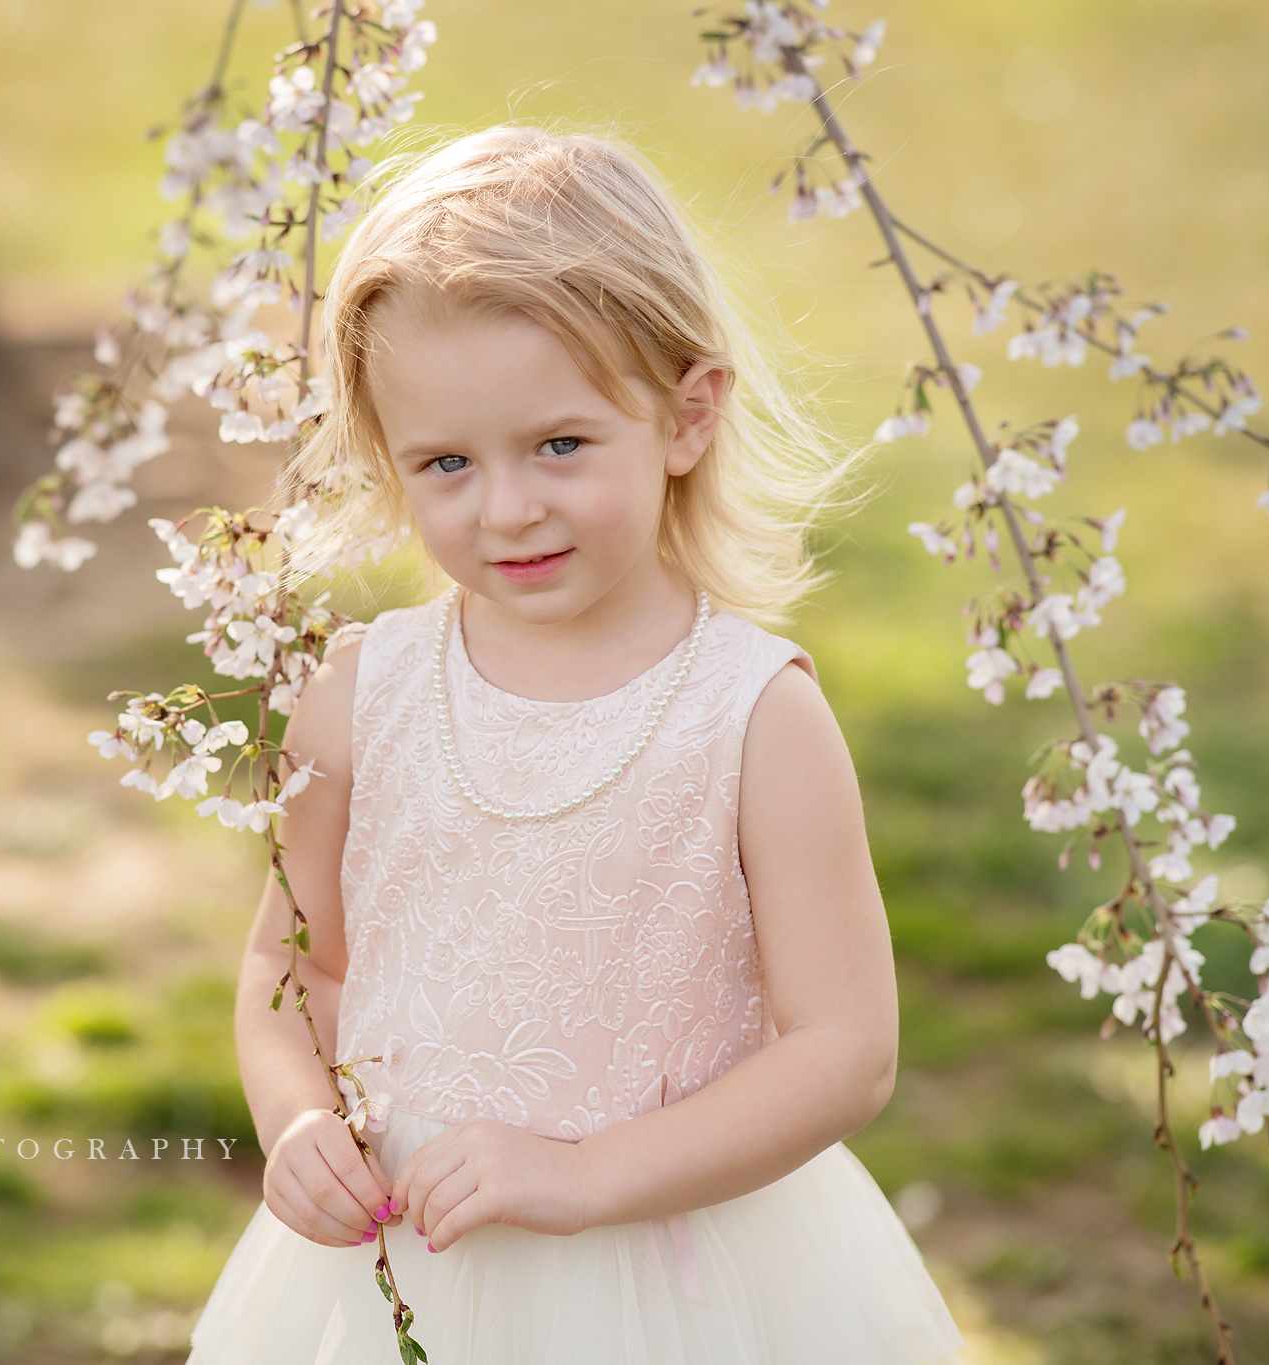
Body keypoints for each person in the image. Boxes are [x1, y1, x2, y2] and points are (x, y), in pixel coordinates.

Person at [186, 125, 964, 1364]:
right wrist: (292, 1126)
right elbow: (296, 970)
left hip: (675, 1273)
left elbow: (843, 1050)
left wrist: (591, 1175)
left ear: (684, 415)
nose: (508, 507)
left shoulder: (753, 714)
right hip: (404, 1259)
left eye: (558, 444)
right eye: (445, 462)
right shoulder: (355, 696)